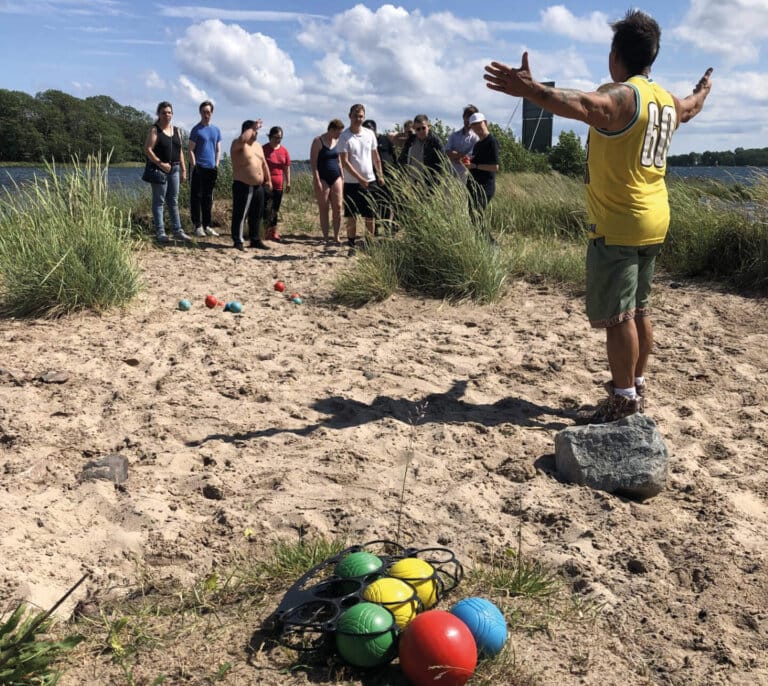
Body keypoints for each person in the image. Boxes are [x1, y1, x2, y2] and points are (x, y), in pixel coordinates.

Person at [484, 9, 713, 423]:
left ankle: (623, 398)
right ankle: (636, 386)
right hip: (656, 216)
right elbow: (691, 108)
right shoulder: (665, 101)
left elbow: (583, 104)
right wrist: (703, 89)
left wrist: (532, 89)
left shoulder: (626, 97)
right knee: (640, 309)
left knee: (619, 315)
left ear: (616, 55)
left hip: (621, 222)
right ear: (651, 56)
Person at [338, 104, 384, 255]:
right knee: (351, 215)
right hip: (351, 182)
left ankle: (369, 243)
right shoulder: (344, 136)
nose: (358, 119)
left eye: (361, 116)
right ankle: (351, 245)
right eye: (355, 116)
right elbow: (345, 162)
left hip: (370, 180)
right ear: (350, 116)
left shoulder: (369, 134)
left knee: (370, 215)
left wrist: (380, 174)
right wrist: (360, 178)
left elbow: (375, 155)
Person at [144, 101, 189, 242]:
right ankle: (161, 233)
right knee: (159, 202)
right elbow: (148, 149)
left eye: (169, 112)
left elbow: (180, 150)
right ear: (159, 114)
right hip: (159, 170)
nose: (167, 115)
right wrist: (160, 163)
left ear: (172, 114)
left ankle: (177, 230)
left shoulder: (177, 131)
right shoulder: (155, 130)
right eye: (164, 112)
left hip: (175, 169)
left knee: (173, 201)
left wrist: (184, 169)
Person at [230, 119, 272, 251]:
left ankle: (255, 239)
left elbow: (264, 163)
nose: (256, 133)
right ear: (247, 130)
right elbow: (243, 139)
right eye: (254, 130)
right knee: (241, 214)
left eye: (256, 130)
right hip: (243, 184)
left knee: (256, 214)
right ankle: (238, 240)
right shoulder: (238, 144)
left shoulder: (258, 146)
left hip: (258, 186)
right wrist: (252, 127)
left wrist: (268, 180)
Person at [188, 100, 222, 238]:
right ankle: (197, 226)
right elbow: (190, 149)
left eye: (208, 112)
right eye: (204, 112)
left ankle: (207, 225)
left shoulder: (216, 130)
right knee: (196, 197)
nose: (206, 114)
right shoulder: (196, 130)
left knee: (208, 198)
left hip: (211, 168)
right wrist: (194, 165)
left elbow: (218, 149)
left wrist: (217, 164)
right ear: (200, 113)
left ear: (211, 113)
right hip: (198, 167)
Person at [309, 118, 345, 246]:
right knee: (324, 207)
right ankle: (325, 237)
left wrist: (342, 176)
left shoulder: (338, 141)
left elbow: (339, 160)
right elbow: (313, 163)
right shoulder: (318, 141)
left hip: (336, 176)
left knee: (338, 207)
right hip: (322, 177)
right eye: (338, 132)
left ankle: (336, 236)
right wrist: (317, 179)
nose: (339, 135)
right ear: (331, 129)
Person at [465, 112, 499, 221]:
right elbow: (474, 162)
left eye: (479, 123)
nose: (476, 127)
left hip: (484, 187)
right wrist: (468, 162)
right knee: (473, 217)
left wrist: (475, 166)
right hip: (474, 186)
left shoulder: (491, 142)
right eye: (473, 125)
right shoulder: (478, 144)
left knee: (476, 217)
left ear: (485, 123)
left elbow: (495, 167)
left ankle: (486, 238)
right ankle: (482, 238)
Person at [362, 119, 395, 227]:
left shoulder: (385, 140)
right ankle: (374, 228)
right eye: (366, 129)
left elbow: (393, 155)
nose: (369, 132)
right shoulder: (363, 143)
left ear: (375, 130)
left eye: (371, 129)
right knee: (373, 202)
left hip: (387, 176)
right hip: (371, 177)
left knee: (385, 202)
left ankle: (386, 227)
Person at [397, 114, 446, 185]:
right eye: (418, 129)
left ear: (428, 126)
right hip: (410, 182)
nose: (421, 131)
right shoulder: (411, 140)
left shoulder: (436, 142)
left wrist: (435, 182)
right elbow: (402, 158)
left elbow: (441, 164)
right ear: (414, 129)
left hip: (428, 182)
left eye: (423, 128)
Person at [263, 126, 291, 243]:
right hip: (265, 184)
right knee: (265, 208)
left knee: (275, 209)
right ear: (270, 136)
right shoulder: (263, 149)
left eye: (280, 137)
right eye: (275, 137)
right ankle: (264, 231)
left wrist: (288, 182)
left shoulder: (284, 151)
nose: (277, 140)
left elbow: (286, 168)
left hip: (279, 185)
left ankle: (273, 232)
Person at [445, 105, 480, 181]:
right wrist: (462, 155)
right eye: (467, 117)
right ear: (463, 117)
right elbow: (447, 151)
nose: (468, 120)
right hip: (449, 174)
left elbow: (469, 157)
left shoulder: (476, 138)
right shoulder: (453, 135)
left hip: (465, 176)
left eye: (471, 118)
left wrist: (455, 155)